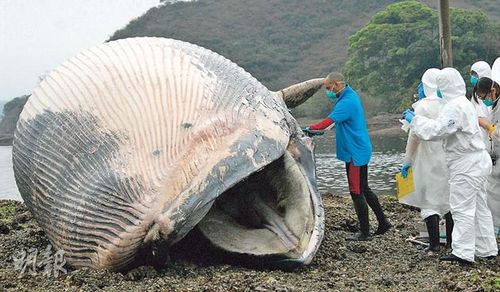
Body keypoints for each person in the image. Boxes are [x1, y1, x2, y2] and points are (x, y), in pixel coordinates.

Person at [402, 68, 498, 264]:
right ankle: (486, 248)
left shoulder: (454, 106)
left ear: (444, 86)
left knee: (462, 208)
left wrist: (415, 120)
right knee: (480, 207)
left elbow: (437, 131)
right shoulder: (464, 102)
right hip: (477, 161)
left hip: (466, 164)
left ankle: (463, 252)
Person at [305, 72, 391, 241]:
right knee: (364, 188)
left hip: (355, 153)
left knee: (356, 191)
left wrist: (309, 129)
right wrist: (316, 130)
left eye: (329, 88)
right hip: (359, 148)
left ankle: (365, 233)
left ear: (337, 84)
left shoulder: (347, 102)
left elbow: (329, 121)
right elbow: (335, 122)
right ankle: (383, 223)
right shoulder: (349, 96)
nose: (328, 92)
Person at [400, 68, 452, 253]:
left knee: (429, 202)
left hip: (427, 158)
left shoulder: (421, 106)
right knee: (447, 200)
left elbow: (414, 136)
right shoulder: (448, 103)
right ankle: (452, 243)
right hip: (446, 158)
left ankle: (435, 244)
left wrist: (408, 161)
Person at [475, 75, 500, 236]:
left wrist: (487, 126)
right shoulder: (495, 106)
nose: (484, 101)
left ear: (493, 90)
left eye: (484, 97)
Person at [469, 61, 492, 141]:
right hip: (483, 134)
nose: (472, 77)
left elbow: (481, 118)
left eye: (475, 74)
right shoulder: (476, 94)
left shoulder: (491, 91)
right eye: (471, 74)